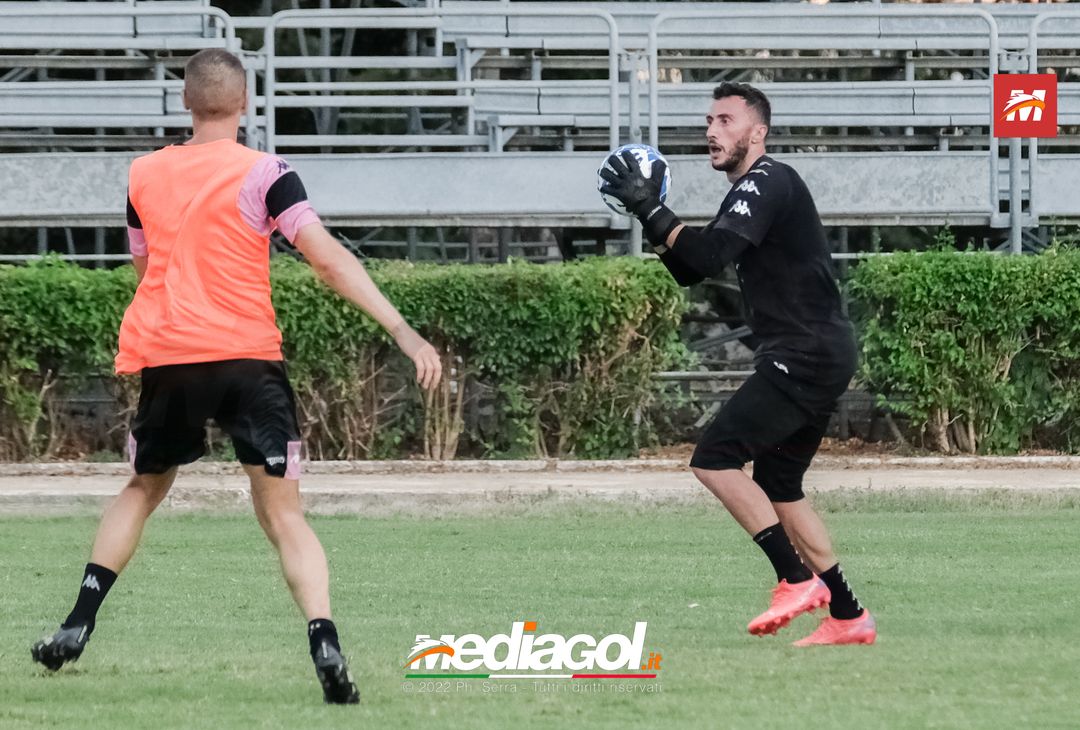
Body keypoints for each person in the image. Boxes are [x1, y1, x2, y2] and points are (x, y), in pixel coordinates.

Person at [31, 48, 442, 702]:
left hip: (169, 358)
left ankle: (79, 622)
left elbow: (145, 271)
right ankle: (324, 638)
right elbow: (328, 260)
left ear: (187, 104)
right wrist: (401, 328)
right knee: (283, 515)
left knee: (141, 489)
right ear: (245, 103)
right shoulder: (268, 174)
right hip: (249, 359)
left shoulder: (143, 176)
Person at [600, 82, 875, 646]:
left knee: (714, 458)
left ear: (758, 132)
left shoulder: (769, 180)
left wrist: (652, 207)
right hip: (817, 351)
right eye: (709, 120)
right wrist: (646, 216)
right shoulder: (749, 191)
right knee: (780, 483)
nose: (711, 131)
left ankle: (796, 578)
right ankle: (849, 615)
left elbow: (706, 254)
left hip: (806, 352)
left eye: (725, 120)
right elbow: (689, 270)